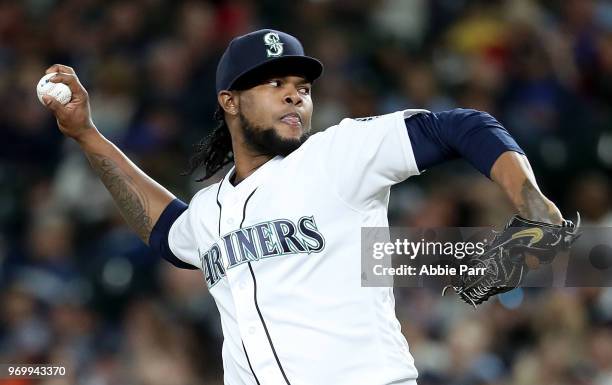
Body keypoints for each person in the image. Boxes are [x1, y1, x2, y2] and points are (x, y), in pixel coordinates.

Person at [42, 29, 568, 385]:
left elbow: (461, 127)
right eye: (275, 83)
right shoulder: (210, 211)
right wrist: (87, 135)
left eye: (302, 87)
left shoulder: (334, 155)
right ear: (229, 100)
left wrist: (533, 203)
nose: (295, 96)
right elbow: (166, 231)